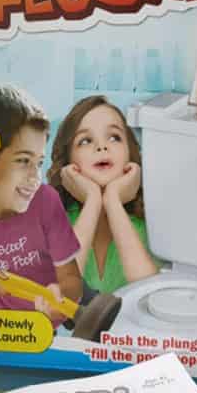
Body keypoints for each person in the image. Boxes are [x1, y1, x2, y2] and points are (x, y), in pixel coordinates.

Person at [0, 83, 82, 320]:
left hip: (58, 319)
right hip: (10, 328)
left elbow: (71, 278)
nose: (35, 177)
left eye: (39, 163)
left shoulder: (46, 202)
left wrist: (64, 297)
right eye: (23, 161)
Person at [47, 95, 157, 294]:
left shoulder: (152, 228)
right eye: (85, 141)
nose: (102, 147)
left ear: (129, 154)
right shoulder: (54, 224)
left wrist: (113, 200)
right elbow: (56, 296)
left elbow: (151, 296)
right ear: (69, 162)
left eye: (114, 137)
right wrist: (93, 200)